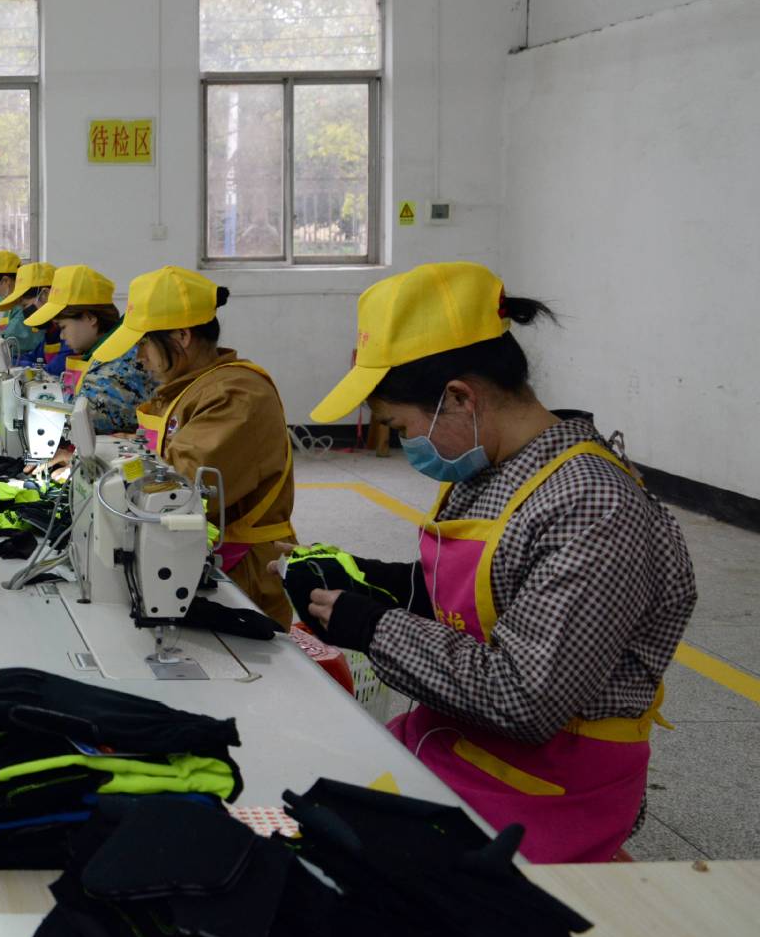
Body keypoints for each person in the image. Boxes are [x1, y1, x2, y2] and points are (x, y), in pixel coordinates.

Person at [296, 261, 696, 863]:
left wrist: (372, 627)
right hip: (458, 739)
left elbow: (524, 698)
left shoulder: (591, 506)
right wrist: (367, 580)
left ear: (460, 398)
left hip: (543, 784)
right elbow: (487, 593)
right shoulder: (490, 470)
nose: (406, 447)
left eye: (400, 428)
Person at [91, 266, 295, 627]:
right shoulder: (188, 388)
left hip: (240, 573)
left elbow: (180, 488)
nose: (138, 358)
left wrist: (113, 472)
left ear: (182, 336)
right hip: (191, 554)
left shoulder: (234, 395)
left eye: (144, 344)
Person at [20, 265, 154, 433]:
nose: (61, 336)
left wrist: (28, 396)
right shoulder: (97, 351)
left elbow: (88, 414)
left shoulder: (124, 357)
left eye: (63, 327)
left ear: (90, 318)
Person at [0, 260, 60, 369]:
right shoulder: (50, 332)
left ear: (44, 295)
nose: (24, 313)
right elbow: (34, 357)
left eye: (24, 305)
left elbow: (55, 369)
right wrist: (5, 360)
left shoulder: (67, 333)